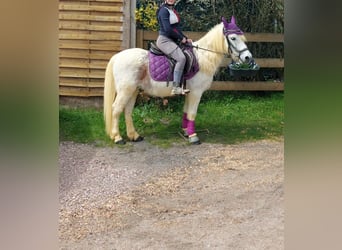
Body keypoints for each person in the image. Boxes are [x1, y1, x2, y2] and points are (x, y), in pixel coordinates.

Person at [156, 0, 193, 95]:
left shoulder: (172, 10)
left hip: (172, 40)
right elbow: (168, 29)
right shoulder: (163, 11)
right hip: (164, 40)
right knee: (181, 58)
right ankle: (176, 87)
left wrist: (185, 38)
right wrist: (181, 38)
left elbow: (176, 28)